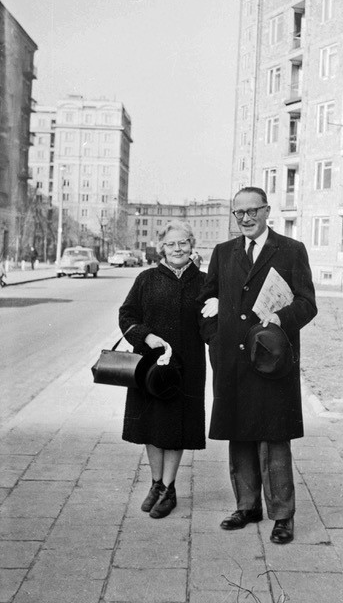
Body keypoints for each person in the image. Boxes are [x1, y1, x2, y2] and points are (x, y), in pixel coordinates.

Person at [199, 186, 317, 544]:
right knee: (240, 433)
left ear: (267, 211)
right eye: (240, 213)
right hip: (233, 358)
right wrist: (214, 339)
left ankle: (282, 516)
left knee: (275, 437)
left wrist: (282, 318)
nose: (246, 219)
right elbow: (207, 298)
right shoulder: (223, 252)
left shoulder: (291, 250)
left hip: (272, 360)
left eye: (253, 211)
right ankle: (247, 506)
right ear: (234, 217)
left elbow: (307, 303)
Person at [119, 221, 206, 519]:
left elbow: (213, 322)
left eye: (183, 242)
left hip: (187, 366)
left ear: (192, 245)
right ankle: (156, 483)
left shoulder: (205, 282)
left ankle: (169, 488)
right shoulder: (146, 279)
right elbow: (126, 314)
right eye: (171, 244)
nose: (178, 248)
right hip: (150, 365)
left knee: (176, 426)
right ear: (162, 248)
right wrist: (146, 336)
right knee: (151, 426)